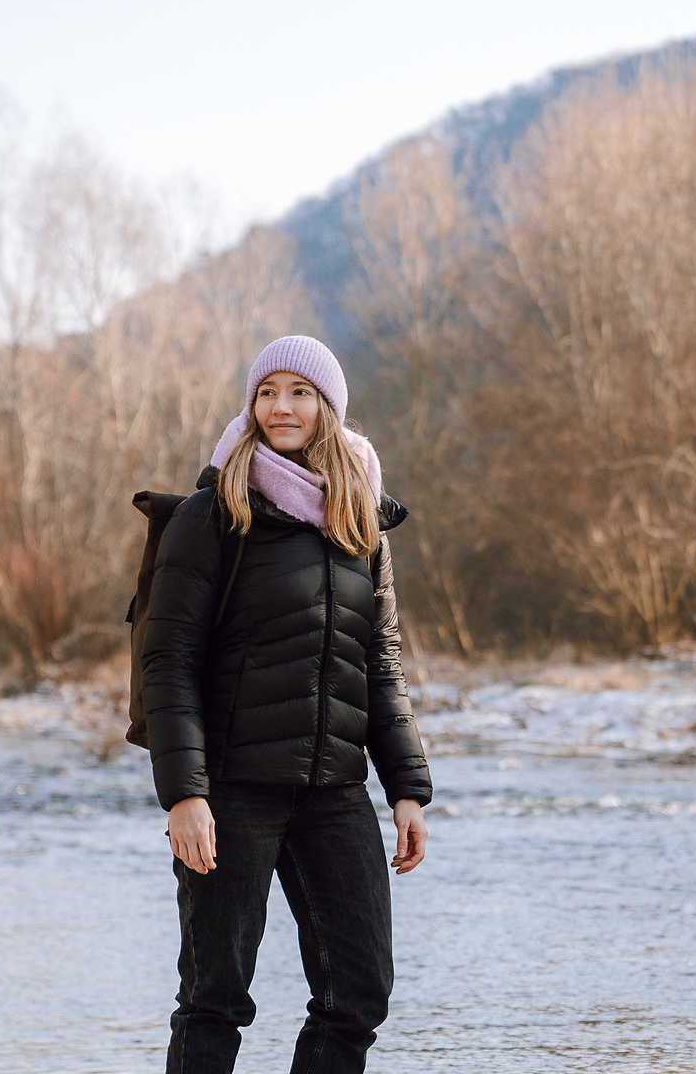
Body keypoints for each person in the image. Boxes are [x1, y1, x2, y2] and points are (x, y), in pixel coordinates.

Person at [138, 334, 432, 1074]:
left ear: (328, 406)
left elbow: (379, 660)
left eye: (300, 392)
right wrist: (186, 795)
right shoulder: (213, 515)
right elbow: (168, 661)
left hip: (334, 791)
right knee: (215, 999)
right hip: (232, 789)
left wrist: (406, 787)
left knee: (357, 996)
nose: (281, 407)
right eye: (267, 392)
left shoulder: (359, 519)